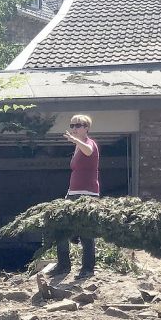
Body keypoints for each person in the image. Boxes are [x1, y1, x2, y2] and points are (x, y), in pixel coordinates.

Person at [49, 114, 100, 279]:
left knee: (87, 232)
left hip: (88, 194)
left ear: (86, 128)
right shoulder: (78, 146)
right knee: (61, 228)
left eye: (78, 125)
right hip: (73, 193)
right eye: (72, 125)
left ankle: (87, 269)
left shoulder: (88, 143)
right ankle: (63, 266)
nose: (74, 128)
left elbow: (89, 150)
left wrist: (76, 140)